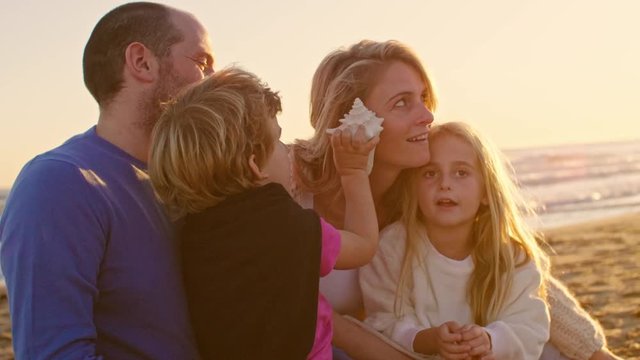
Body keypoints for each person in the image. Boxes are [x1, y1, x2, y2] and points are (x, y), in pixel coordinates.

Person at [292, 39, 619, 360]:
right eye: (402, 103)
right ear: (349, 118)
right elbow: (310, 312)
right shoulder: (289, 183)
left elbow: (514, 273)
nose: (427, 116)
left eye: (423, 98)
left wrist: (594, 353)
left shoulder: (419, 188)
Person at [0, 2, 213, 358]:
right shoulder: (60, 184)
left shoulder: (187, 185)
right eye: (202, 62)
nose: (214, 81)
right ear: (141, 62)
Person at [148, 67, 380, 359]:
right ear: (255, 165)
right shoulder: (283, 223)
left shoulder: (192, 232)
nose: (286, 151)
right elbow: (363, 244)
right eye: (279, 141)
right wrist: (354, 172)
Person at [360, 121, 550, 359]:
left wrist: (489, 340)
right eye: (430, 173)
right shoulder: (393, 248)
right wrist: (430, 340)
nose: (445, 184)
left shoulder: (511, 256)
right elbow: (383, 323)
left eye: (461, 173)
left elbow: (530, 328)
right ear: (414, 188)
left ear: (485, 192)